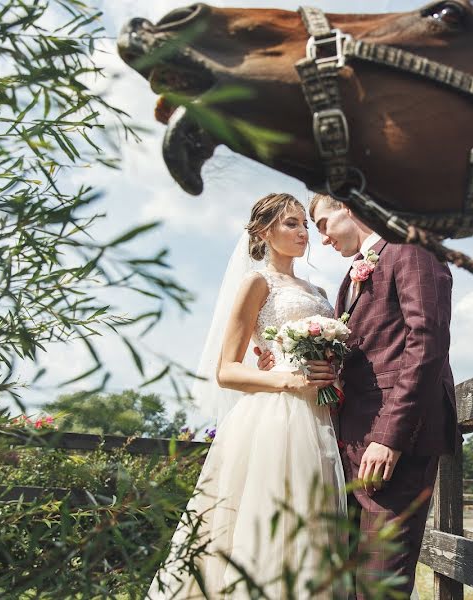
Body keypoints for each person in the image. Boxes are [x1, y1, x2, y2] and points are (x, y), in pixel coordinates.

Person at [258, 194, 459, 598]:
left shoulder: (411, 246)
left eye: (322, 223)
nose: (322, 238)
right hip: (349, 441)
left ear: (348, 206)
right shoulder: (348, 280)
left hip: (396, 442)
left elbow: (426, 344)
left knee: (379, 582)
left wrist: (390, 437)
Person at [147, 193, 344, 599]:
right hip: (276, 416)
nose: (302, 232)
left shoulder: (320, 288)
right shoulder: (257, 283)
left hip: (322, 417)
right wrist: (290, 381)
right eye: (291, 224)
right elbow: (227, 370)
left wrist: (332, 374)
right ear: (263, 231)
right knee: (271, 518)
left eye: (304, 224)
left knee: (312, 525)